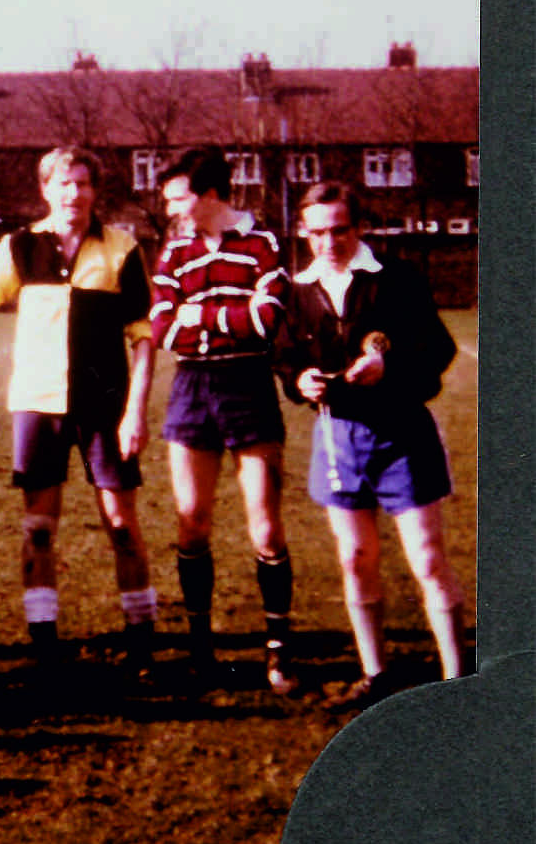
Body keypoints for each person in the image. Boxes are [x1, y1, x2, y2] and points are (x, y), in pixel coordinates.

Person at [0, 147, 159, 676]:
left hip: (105, 408)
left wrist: (135, 410)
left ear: (95, 191)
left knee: (121, 526)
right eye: (63, 183)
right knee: (38, 528)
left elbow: (145, 337)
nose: (73, 194)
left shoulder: (122, 248)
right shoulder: (20, 246)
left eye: (82, 183)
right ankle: (45, 645)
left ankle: (141, 641)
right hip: (37, 405)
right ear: (45, 189)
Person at [276, 181, 469, 708]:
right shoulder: (299, 289)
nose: (329, 242)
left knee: (426, 558)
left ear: (359, 227)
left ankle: (458, 679)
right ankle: (376, 674)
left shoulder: (396, 278)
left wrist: (390, 367)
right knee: (355, 557)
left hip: (401, 433)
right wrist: (300, 381)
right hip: (338, 437)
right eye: (317, 232)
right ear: (303, 232)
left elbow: (438, 349)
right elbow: (287, 356)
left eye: (339, 229)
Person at [151, 146, 297, 693]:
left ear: (210, 194)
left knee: (266, 526)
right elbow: (165, 329)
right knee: (191, 519)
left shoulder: (263, 243)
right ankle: (201, 647)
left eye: (178, 199)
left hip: (247, 385)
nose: (171, 210)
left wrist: (202, 315)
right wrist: (227, 317)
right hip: (192, 387)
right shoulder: (174, 252)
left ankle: (278, 651)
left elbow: (268, 318)